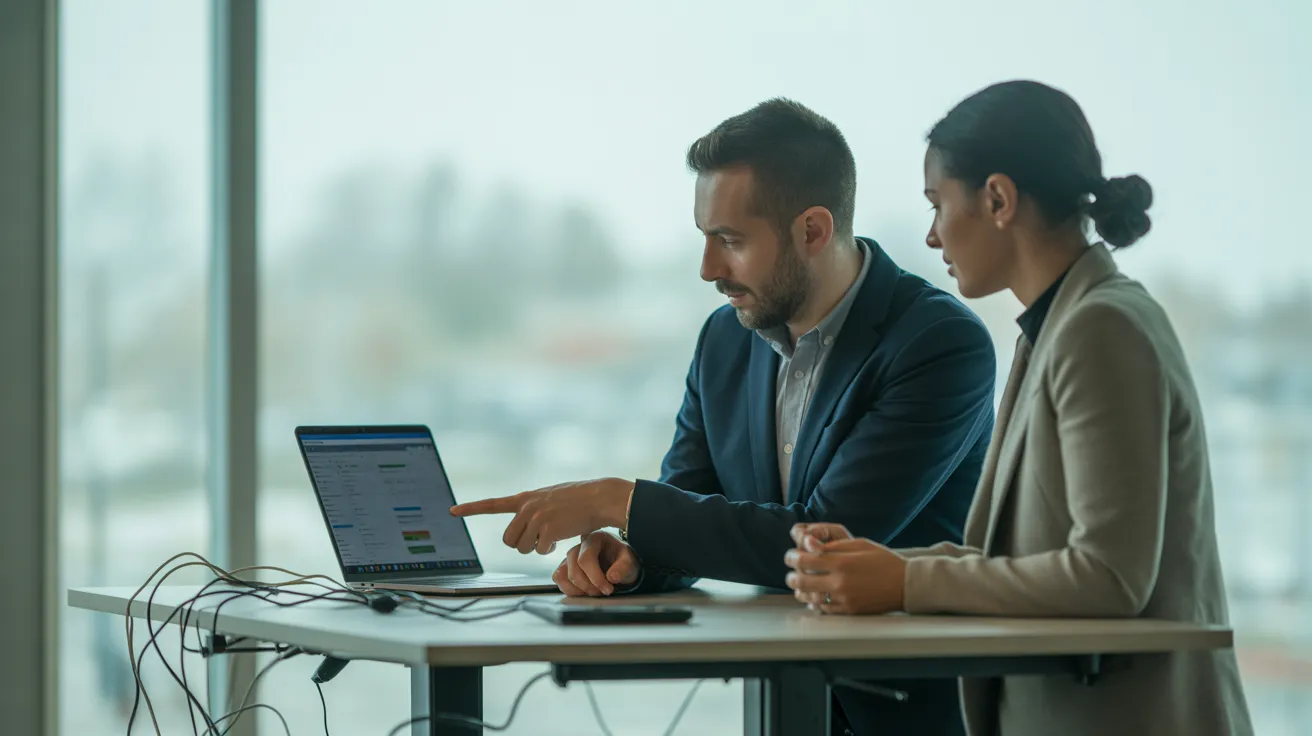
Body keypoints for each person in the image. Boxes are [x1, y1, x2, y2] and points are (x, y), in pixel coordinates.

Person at [452, 98, 997, 735]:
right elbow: (691, 502)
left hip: (910, 716)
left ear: (813, 231)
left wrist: (618, 501)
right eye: (705, 239)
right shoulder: (725, 339)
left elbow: (820, 539)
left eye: (730, 241)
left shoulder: (938, 343)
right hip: (782, 704)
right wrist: (630, 558)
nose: (709, 269)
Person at [783, 80, 1254, 736]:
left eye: (937, 204)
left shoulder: (1101, 329)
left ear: (997, 199)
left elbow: (1109, 578)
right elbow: (1012, 561)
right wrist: (878, 564)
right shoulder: (1058, 327)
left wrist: (904, 586)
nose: (930, 235)